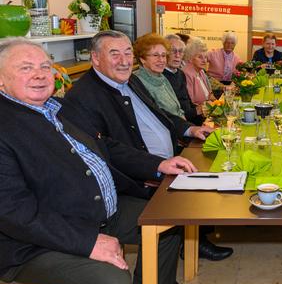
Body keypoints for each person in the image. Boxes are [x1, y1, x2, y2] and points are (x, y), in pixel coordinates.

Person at [0, 38, 197, 284]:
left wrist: (159, 164)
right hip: (35, 242)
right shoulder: (6, 126)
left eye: (45, 66)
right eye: (26, 68)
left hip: (97, 211)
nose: (40, 74)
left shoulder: (56, 107)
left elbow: (106, 146)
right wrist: (88, 242)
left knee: (168, 216)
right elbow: (14, 213)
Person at [65, 31, 233, 263]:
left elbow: (161, 115)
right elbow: (105, 149)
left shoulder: (130, 80)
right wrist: (155, 166)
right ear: (95, 58)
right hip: (136, 179)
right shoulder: (83, 97)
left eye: (127, 53)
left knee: (215, 171)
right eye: (114, 54)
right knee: (187, 204)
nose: (124, 61)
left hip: (162, 160)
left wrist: (190, 129)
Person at [133, 34, 189, 122]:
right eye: (155, 55)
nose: (161, 60)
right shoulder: (137, 82)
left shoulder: (161, 77)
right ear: (142, 59)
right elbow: (156, 120)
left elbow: (178, 110)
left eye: (163, 55)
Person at [163, 34, 201, 125]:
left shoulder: (180, 73)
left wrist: (201, 108)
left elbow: (187, 101)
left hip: (191, 118)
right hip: (180, 124)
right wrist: (196, 111)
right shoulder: (161, 77)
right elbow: (172, 114)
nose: (177, 55)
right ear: (165, 53)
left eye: (181, 51)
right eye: (173, 51)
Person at [183, 38, 212, 118]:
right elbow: (191, 103)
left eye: (205, 57)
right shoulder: (186, 73)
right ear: (190, 58)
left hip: (206, 111)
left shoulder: (201, 71)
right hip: (197, 116)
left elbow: (209, 95)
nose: (204, 60)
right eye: (200, 57)